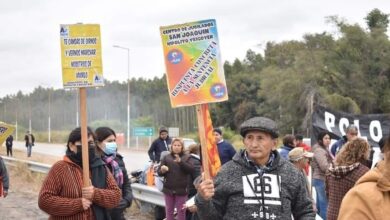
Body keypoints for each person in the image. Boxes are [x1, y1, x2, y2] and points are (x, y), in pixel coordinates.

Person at [195, 117, 315, 219]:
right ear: (244, 141)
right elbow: (211, 216)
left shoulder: (291, 173)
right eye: (250, 138)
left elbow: (305, 211)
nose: (254, 144)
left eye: (260, 138)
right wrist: (203, 199)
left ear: (274, 144)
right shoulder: (227, 172)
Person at [38, 127, 121, 219]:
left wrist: (95, 194)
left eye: (91, 143)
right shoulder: (60, 168)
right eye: (83, 143)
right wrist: (77, 204)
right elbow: (44, 200)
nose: (88, 147)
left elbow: (116, 196)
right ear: (71, 146)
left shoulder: (100, 167)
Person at [338, 134, 390, 219]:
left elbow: (327, 191)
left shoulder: (334, 168)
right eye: (367, 150)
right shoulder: (362, 172)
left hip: (334, 210)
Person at [325, 138, 370, 220]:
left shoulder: (331, 169)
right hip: (350, 215)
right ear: (363, 153)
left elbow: (327, 193)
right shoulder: (363, 172)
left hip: (332, 214)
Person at [95, 127, 133, 220]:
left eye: (114, 141)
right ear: (98, 143)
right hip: (101, 212)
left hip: (118, 212)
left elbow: (126, 183)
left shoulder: (118, 160)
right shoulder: (94, 162)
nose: (113, 144)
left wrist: (127, 200)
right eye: (109, 141)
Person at [158, 138, 194, 220]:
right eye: (175, 145)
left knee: (181, 212)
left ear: (182, 147)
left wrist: (180, 162)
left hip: (181, 190)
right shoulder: (166, 157)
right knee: (169, 211)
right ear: (172, 146)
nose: (176, 147)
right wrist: (162, 170)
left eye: (179, 145)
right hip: (168, 189)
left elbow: (191, 170)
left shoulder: (187, 157)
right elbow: (159, 172)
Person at [311, 131, 333, 220]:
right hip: (321, 179)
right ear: (320, 139)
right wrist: (333, 167)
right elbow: (324, 167)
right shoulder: (319, 150)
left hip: (320, 179)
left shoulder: (324, 149)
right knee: (324, 205)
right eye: (326, 138)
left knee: (320, 204)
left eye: (329, 138)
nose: (328, 140)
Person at [186, 144, 202, 220]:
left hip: (187, 190)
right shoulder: (196, 162)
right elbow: (198, 179)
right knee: (192, 215)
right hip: (193, 192)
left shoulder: (188, 159)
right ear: (198, 151)